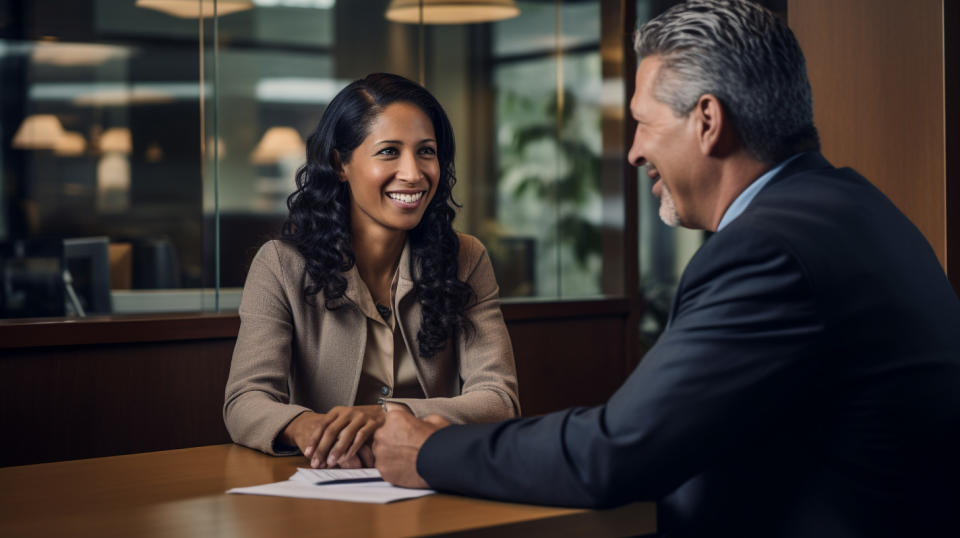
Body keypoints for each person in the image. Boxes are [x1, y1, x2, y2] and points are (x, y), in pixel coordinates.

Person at [372, 1, 960, 535]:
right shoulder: (857, 208)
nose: (632, 150)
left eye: (644, 122)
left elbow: (617, 453)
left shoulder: (767, 249)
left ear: (707, 120)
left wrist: (428, 452)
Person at [224, 73, 520, 470]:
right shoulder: (279, 264)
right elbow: (245, 400)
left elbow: (498, 398)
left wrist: (386, 414)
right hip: (324, 484)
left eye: (426, 151)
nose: (413, 173)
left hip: (435, 476)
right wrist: (307, 426)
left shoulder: (466, 258)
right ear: (340, 163)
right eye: (389, 152)